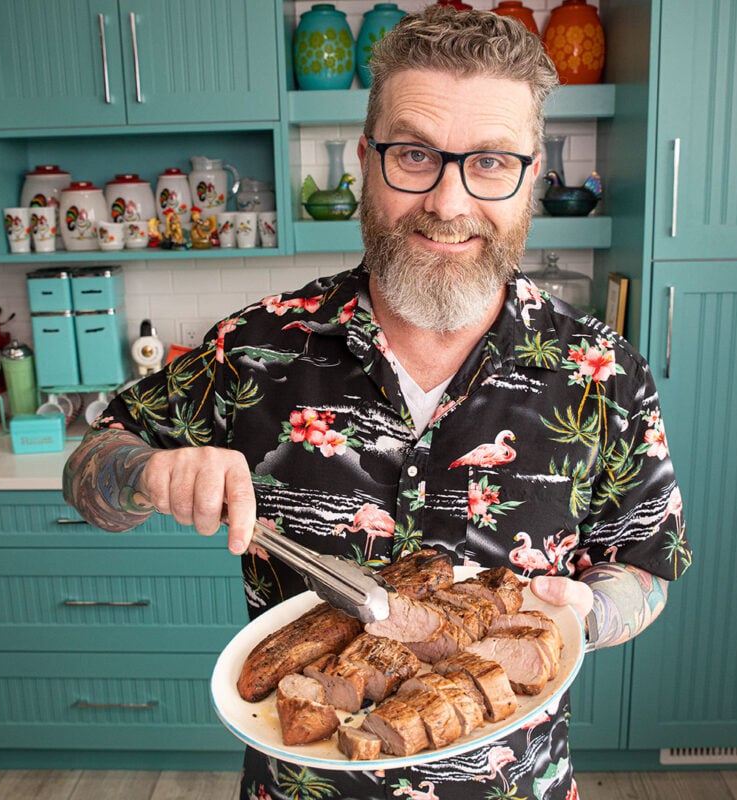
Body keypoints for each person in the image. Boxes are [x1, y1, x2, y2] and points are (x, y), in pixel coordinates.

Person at [64, 7, 691, 799]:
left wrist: (589, 615)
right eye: (416, 155)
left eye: (491, 162)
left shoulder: (605, 374)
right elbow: (90, 467)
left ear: (531, 175)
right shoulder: (253, 349)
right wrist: (146, 476)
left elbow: (645, 567)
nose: (450, 202)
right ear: (366, 159)